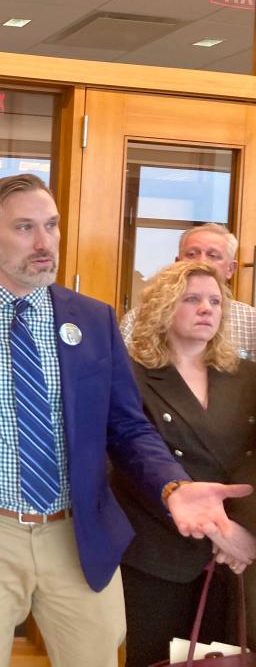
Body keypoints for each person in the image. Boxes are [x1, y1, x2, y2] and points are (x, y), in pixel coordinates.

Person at [0, 173, 256, 667]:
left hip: (77, 528)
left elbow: (127, 427)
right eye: (24, 228)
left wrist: (174, 486)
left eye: (52, 225)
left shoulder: (91, 318)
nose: (44, 243)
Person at [115, 260, 256, 665]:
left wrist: (241, 532)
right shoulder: (132, 376)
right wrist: (220, 531)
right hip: (160, 556)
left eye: (214, 301)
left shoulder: (247, 377)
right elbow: (129, 465)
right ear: (162, 307)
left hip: (239, 558)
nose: (206, 308)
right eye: (192, 299)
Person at [119, 223, 256, 359]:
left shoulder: (251, 320)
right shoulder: (136, 319)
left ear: (230, 269)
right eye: (191, 254)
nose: (201, 261)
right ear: (178, 263)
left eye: (213, 255)